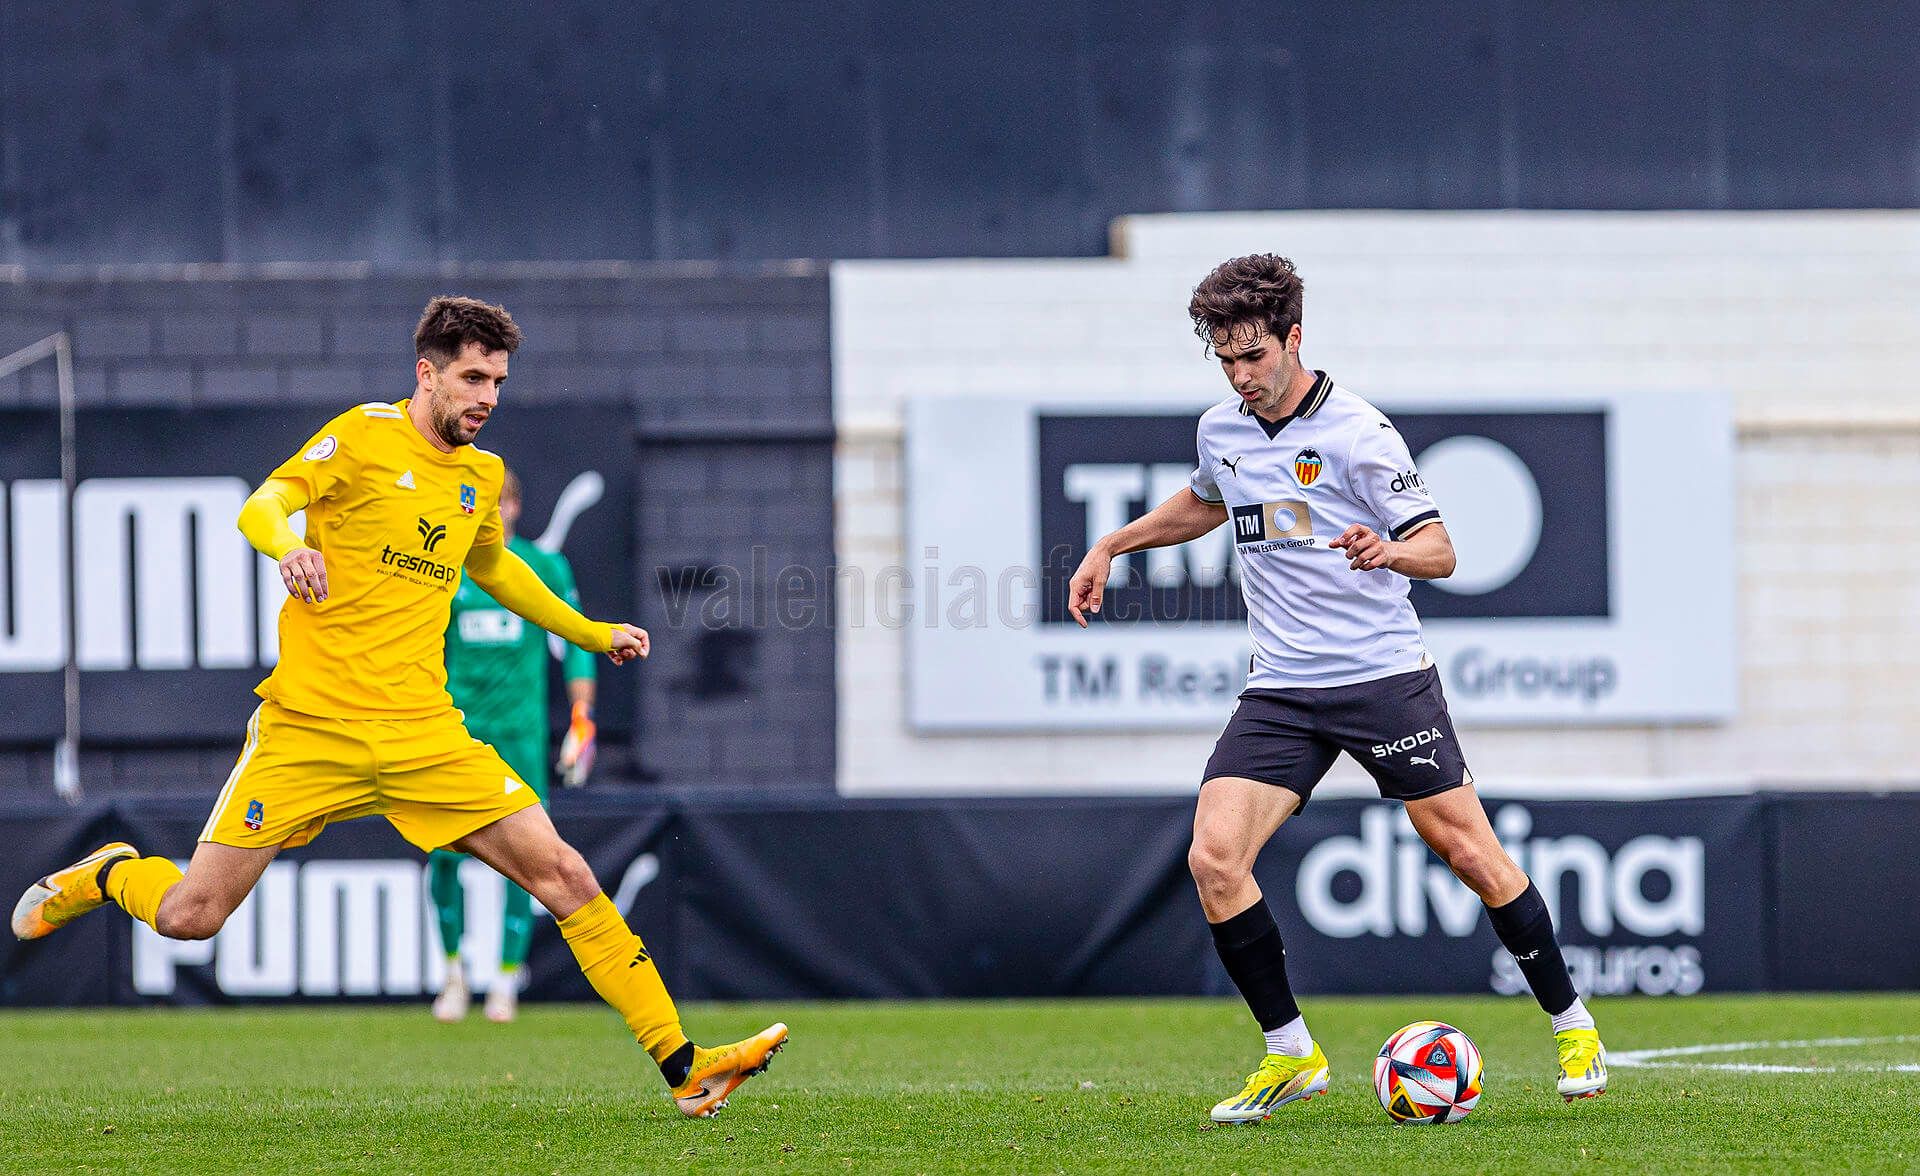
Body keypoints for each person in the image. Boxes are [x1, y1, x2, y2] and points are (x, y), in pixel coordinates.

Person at [12, 295, 785, 1120]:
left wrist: (586, 632)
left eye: (499, 381)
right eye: (473, 377)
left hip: (424, 736)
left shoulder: (481, 477)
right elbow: (261, 506)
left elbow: (495, 569)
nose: (487, 396)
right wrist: (291, 546)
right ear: (428, 373)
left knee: (565, 875)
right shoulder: (363, 435)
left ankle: (684, 1067)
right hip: (310, 729)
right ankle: (111, 872)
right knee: (190, 916)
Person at [1066, 255, 1606, 1124]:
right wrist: (1112, 546)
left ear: (1294, 340)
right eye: (1225, 360)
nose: (1241, 376)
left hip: (1381, 678)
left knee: (1469, 852)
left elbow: (1441, 551)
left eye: (1253, 357)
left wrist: (1388, 550)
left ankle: (1572, 1023)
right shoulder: (1223, 430)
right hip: (1281, 689)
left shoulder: (1362, 435)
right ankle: (1291, 1055)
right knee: (1214, 858)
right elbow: (1207, 503)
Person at [429, 464, 598, 1025]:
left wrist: (581, 715)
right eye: (482, 505)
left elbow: (575, 641)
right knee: (444, 855)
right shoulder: (446, 568)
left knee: (527, 861)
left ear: (516, 508)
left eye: (500, 504)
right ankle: (454, 974)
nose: (492, 514)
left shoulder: (543, 566)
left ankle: (505, 983)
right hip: (456, 733)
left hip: (521, 737)